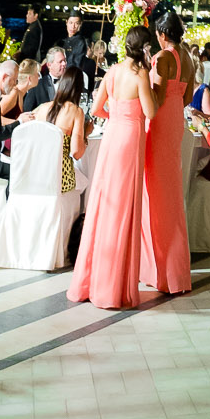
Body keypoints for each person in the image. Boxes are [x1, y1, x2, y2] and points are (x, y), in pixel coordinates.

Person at [69, 26, 160, 309]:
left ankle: (92, 280)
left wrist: (117, 115)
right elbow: (151, 111)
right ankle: (113, 286)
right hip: (130, 138)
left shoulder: (113, 71)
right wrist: (154, 89)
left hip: (112, 136)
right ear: (144, 48)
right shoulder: (140, 74)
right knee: (124, 206)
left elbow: (96, 109)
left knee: (105, 203)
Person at [140, 10, 194, 295]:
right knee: (170, 192)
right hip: (176, 122)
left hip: (160, 124)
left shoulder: (162, 57)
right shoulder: (188, 58)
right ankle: (174, 270)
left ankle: (158, 271)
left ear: (162, 34)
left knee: (155, 194)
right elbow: (188, 96)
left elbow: (156, 99)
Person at [16, 65, 87, 196]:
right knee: (85, 181)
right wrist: (86, 134)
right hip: (60, 177)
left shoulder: (42, 108)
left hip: (36, 173)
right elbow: (76, 152)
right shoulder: (76, 112)